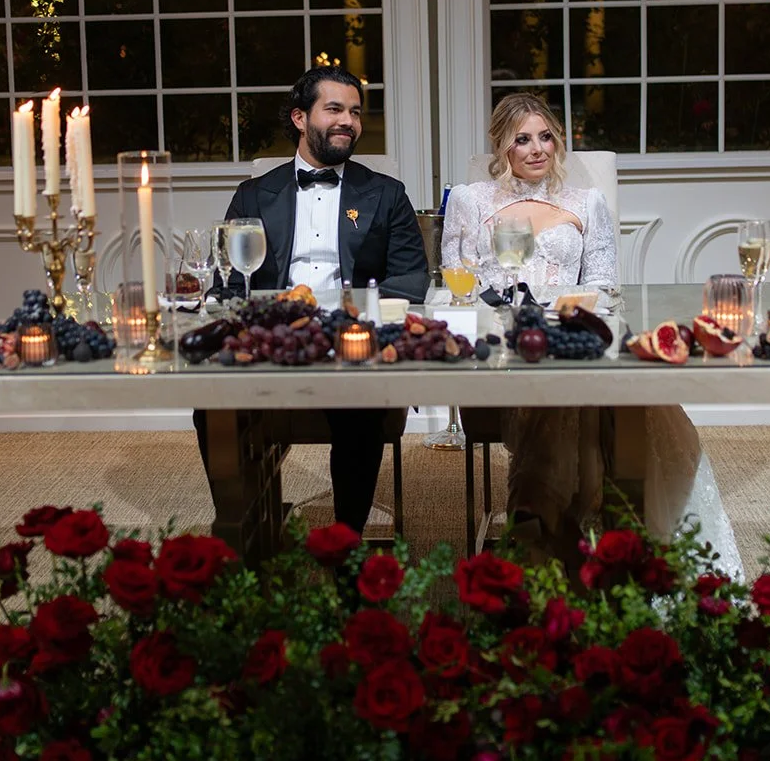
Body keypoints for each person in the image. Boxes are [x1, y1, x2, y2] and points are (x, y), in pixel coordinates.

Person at [442, 91, 742, 579]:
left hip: (576, 334)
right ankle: (562, 541)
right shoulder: (470, 200)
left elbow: (604, 284)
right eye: (522, 139)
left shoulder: (587, 201)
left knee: (604, 396)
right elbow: (457, 279)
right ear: (501, 147)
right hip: (505, 345)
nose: (537, 149)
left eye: (546, 137)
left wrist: (562, 315)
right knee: (566, 401)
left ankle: (585, 538)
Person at [210, 66, 429, 535]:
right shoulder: (253, 195)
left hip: (350, 340)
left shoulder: (387, 195)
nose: (347, 120)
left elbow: (411, 278)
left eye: (354, 111)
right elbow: (226, 281)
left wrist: (356, 318)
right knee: (213, 403)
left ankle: (346, 541)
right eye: (333, 109)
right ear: (299, 118)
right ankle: (241, 529)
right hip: (273, 336)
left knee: (359, 401)